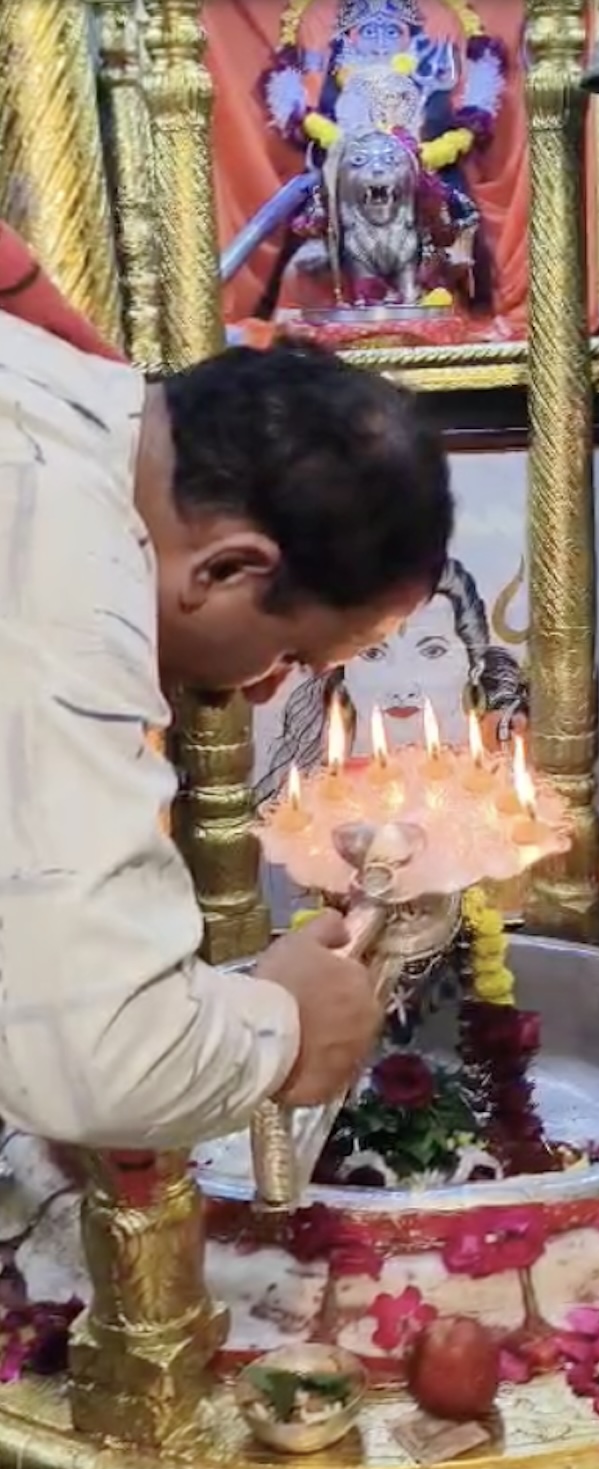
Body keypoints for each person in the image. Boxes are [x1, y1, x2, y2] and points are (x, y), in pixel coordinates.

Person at [0, 246, 453, 1150]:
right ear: (231, 569)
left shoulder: (52, 393)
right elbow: (109, 1059)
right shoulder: (58, 544)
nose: (259, 691)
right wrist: (285, 1025)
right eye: (287, 653)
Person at [255, 556, 527, 803]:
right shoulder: (307, 797)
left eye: (433, 651)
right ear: (340, 667)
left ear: (474, 665)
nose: (403, 688)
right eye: (373, 653)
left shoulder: (506, 767)